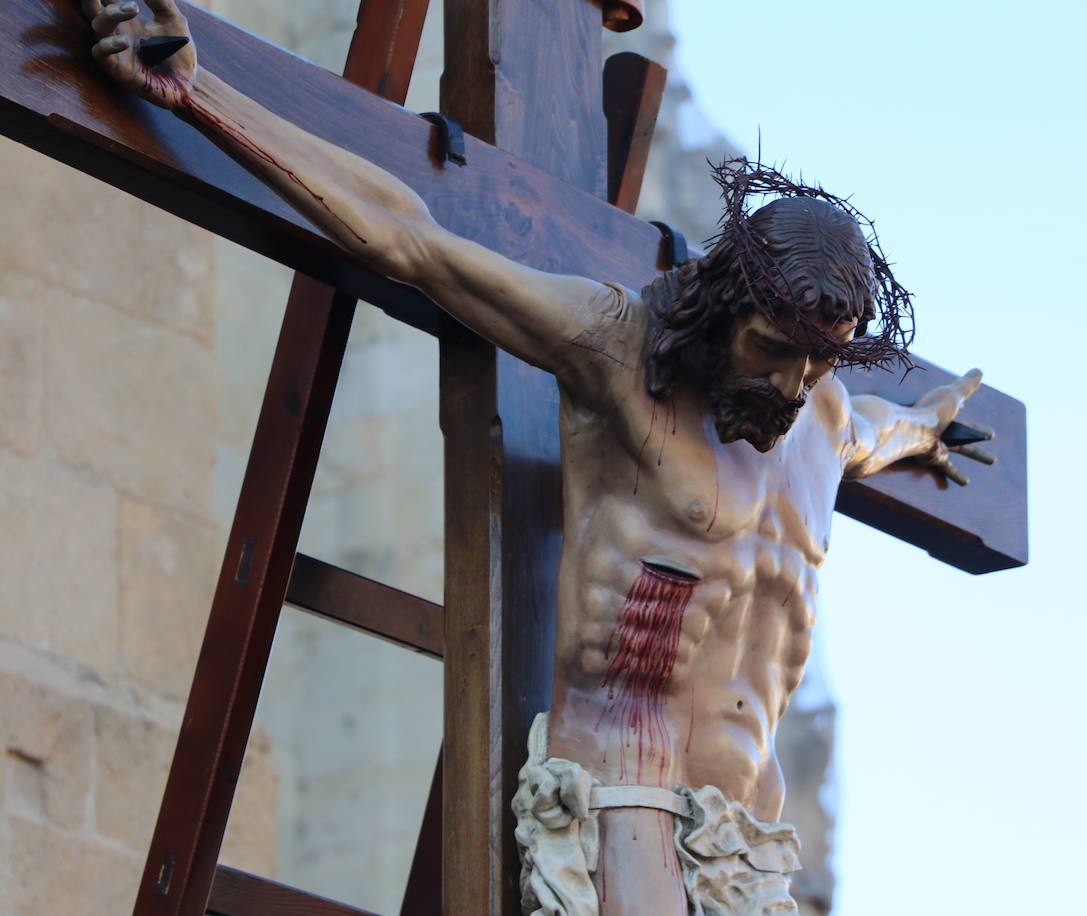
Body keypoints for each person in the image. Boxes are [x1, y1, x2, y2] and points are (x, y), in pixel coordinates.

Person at [83, 2, 994, 912]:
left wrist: (935, 422)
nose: (792, 385)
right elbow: (410, 240)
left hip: (751, 836)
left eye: (817, 361)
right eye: (769, 349)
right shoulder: (620, 354)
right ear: (725, 305)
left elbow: (897, 426)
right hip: (624, 790)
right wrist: (200, 96)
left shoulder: (826, 422)